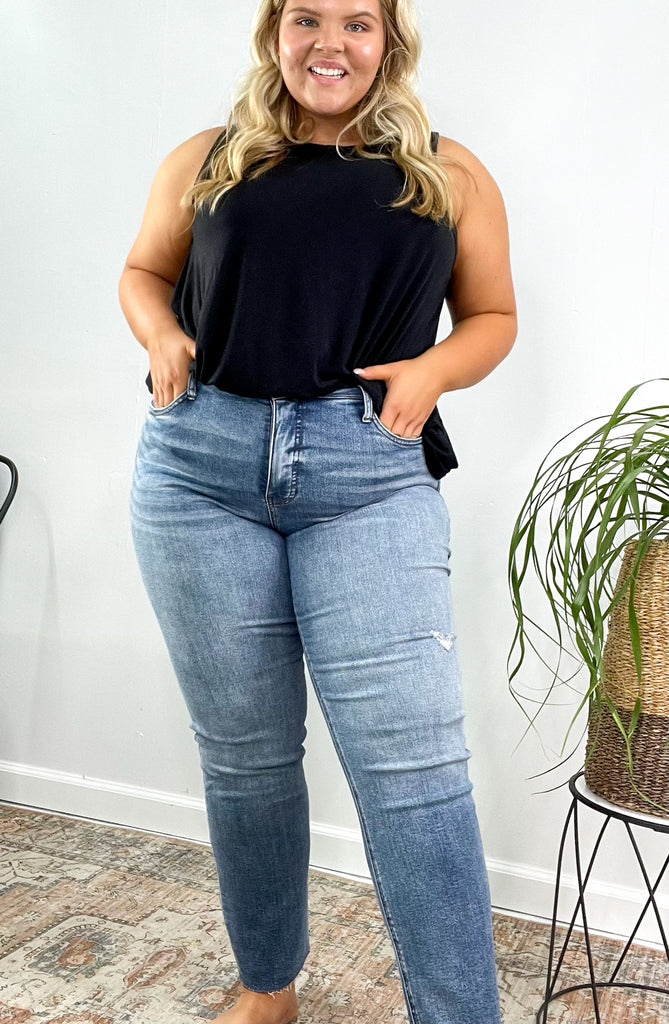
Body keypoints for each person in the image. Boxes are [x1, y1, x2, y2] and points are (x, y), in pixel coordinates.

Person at [118, 0, 517, 1021]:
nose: (329, 43)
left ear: (389, 41)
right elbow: (144, 271)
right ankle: (269, 986)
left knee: (413, 769)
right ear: (275, 33)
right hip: (198, 469)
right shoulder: (208, 158)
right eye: (306, 18)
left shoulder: (448, 172)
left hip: (368, 472)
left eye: (355, 22)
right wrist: (160, 335)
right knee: (245, 761)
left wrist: (433, 370)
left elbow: (493, 316)